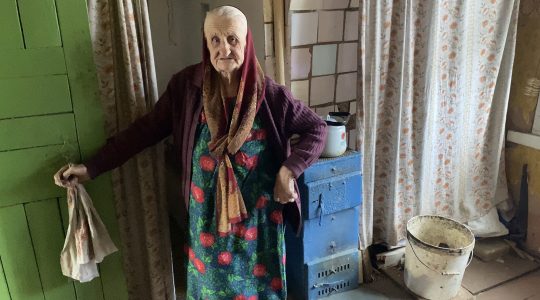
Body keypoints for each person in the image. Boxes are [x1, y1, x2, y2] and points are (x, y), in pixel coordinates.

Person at [54, 6, 326, 299]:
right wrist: (92, 167)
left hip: (258, 226)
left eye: (233, 39)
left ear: (247, 42)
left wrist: (289, 170)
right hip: (206, 223)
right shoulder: (186, 88)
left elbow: (317, 129)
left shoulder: (271, 96)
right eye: (215, 40)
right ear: (206, 44)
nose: (224, 49)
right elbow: (144, 131)